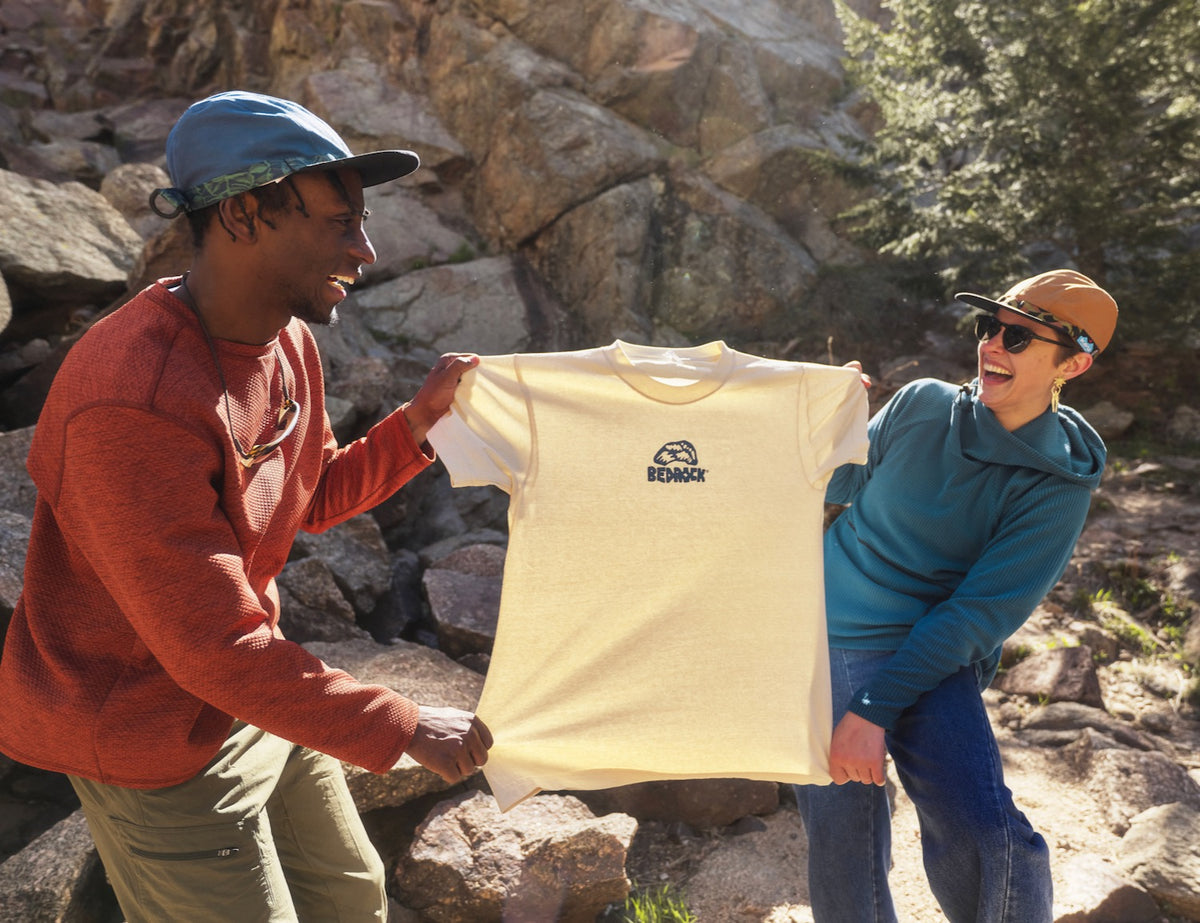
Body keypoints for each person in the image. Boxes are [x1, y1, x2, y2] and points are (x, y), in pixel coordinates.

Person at [0, 90, 491, 922]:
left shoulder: (285, 340)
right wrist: (402, 723)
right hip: (148, 732)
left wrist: (419, 425)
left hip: (246, 693)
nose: (365, 249)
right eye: (341, 222)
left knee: (350, 895)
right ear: (244, 213)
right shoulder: (135, 398)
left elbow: (308, 492)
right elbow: (212, 644)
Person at [795, 268, 1118, 923]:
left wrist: (871, 710)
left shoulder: (1057, 488)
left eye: (1021, 338)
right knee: (842, 841)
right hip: (823, 634)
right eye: (989, 327)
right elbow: (830, 491)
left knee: (987, 832)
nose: (992, 345)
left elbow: (977, 615)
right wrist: (826, 419)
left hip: (933, 652)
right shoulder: (919, 402)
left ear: (1073, 363)